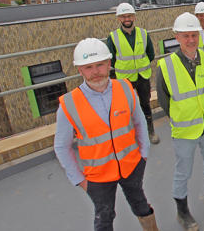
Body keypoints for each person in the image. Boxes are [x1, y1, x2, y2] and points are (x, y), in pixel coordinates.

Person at [54, 38, 159, 231]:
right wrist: (79, 180)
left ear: (109, 64)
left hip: (131, 166)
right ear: (80, 70)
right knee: (104, 218)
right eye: (88, 67)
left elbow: (140, 123)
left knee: (141, 205)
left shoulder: (126, 88)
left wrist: (143, 155)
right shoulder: (69, 104)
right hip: (98, 177)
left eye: (100, 65)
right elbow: (61, 146)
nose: (95, 72)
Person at [156, 12, 204, 231]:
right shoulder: (166, 66)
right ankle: (182, 212)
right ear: (176, 37)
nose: (191, 40)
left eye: (194, 35)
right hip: (185, 130)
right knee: (183, 172)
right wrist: (183, 115)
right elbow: (164, 100)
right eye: (186, 36)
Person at [106, 3, 159, 144]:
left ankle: (150, 131)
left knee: (145, 104)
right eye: (123, 16)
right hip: (125, 79)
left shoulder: (143, 33)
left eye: (129, 16)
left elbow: (151, 54)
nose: (127, 18)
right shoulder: (113, 37)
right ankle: (132, 135)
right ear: (119, 19)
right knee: (127, 108)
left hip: (143, 76)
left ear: (134, 17)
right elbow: (110, 60)